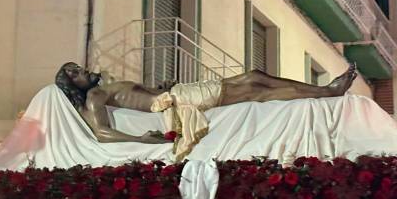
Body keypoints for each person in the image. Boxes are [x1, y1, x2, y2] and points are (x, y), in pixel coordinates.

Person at [55, 62, 357, 145]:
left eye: (77, 67)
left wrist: (160, 87)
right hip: (180, 101)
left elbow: (143, 94)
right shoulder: (95, 96)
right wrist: (141, 139)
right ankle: (326, 92)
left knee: (256, 81)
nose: (81, 70)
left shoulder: (105, 87)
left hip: (177, 93)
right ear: (72, 86)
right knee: (255, 87)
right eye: (74, 73)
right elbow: (101, 133)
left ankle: (325, 91)